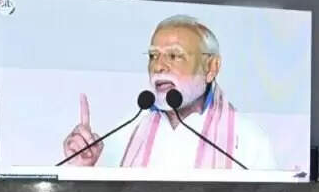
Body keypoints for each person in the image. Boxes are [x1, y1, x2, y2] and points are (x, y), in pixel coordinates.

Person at [62, 15, 276, 170]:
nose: (158, 67)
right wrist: (82, 168)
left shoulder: (247, 139)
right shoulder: (127, 132)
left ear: (211, 67)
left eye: (174, 56)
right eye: (153, 56)